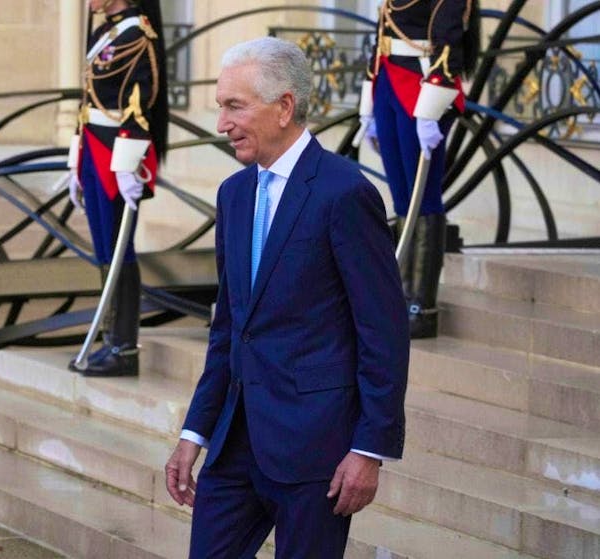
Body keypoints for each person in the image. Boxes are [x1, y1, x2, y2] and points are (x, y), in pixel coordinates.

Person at [164, 37, 409, 558]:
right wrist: (195, 431)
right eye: (220, 107)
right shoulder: (233, 194)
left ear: (284, 107)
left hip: (315, 451)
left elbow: (383, 331)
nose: (222, 124)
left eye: (235, 106)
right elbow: (230, 327)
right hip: (234, 444)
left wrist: (369, 448)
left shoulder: (345, 193)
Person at [357, 0, 480, 338]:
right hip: (388, 83)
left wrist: (431, 108)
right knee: (400, 195)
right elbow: (380, 37)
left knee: (422, 197)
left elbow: (449, 45)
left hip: (423, 89)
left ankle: (421, 307)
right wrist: (368, 105)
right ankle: (400, 293)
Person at [66, 0, 168, 377]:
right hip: (94, 147)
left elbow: (141, 103)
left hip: (117, 154)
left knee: (119, 247)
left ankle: (124, 347)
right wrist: (76, 153)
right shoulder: (105, 32)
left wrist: (127, 162)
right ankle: (110, 338)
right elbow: (88, 98)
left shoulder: (138, 34)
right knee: (103, 246)